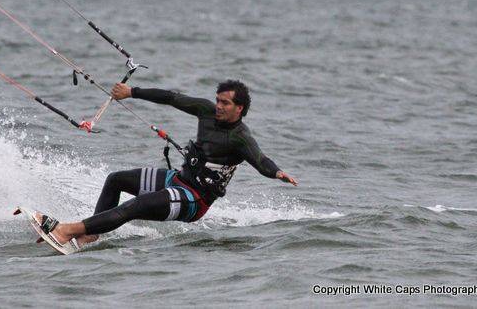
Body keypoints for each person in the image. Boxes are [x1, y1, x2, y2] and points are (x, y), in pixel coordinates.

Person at [35, 79, 298, 249]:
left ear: (239, 108)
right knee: (116, 180)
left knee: (134, 206)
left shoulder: (241, 138)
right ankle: (90, 234)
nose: (218, 106)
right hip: (178, 180)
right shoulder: (205, 111)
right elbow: (171, 98)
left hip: (194, 200)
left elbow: (261, 161)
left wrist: (277, 172)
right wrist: (132, 92)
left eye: (225, 103)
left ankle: (67, 231)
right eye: (218, 100)